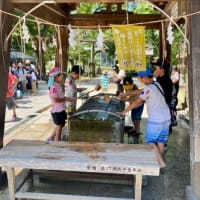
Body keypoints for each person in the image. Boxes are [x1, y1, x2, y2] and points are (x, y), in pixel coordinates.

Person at [121, 66, 171, 169]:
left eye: (140, 77)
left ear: (144, 77)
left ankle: (161, 163)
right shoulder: (156, 84)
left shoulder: (149, 88)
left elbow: (137, 101)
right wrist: (128, 93)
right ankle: (159, 161)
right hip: (166, 118)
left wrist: (125, 111)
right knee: (160, 141)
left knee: (150, 142)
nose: (139, 79)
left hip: (157, 119)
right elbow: (141, 91)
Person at [47, 67, 76, 141]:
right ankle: (58, 143)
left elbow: (62, 96)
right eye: (61, 75)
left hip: (61, 109)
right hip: (57, 110)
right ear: (56, 77)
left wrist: (69, 98)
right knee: (59, 126)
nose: (63, 77)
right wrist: (67, 99)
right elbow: (56, 99)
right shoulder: (53, 87)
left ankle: (51, 137)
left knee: (61, 125)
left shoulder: (59, 85)